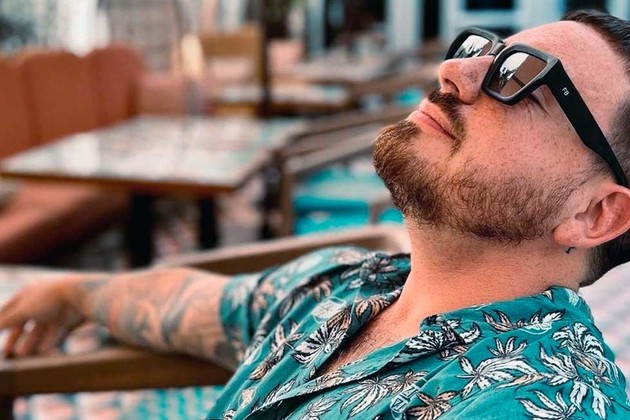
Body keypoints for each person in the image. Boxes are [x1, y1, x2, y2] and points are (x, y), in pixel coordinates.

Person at [2, 9, 630, 419]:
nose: (453, 71)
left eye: (521, 80)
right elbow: (197, 304)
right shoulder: (345, 285)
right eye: (482, 51)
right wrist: (76, 293)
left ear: (596, 214)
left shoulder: (540, 400)